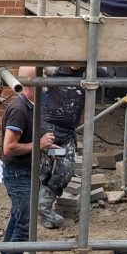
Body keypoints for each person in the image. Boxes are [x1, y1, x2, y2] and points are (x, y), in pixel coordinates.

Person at [1, 66, 54, 254]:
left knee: (17, 220)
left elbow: (26, 142)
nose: (47, 87)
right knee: (25, 228)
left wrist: (43, 144)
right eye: (43, 82)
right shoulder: (19, 109)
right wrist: (38, 144)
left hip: (25, 172)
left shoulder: (30, 105)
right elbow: (9, 147)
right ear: (33, 84)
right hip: (18, 174)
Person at [37, 65, 82, 229]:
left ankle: (42, 205)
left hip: (68, 134)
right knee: (46, 169)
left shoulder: (90, 71)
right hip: (50, 131)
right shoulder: (56, 70)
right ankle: (44, 209)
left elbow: (116, 83)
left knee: (65, 170)